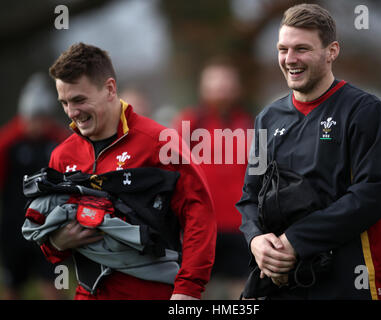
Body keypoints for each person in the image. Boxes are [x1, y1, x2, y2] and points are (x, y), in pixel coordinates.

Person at [236, 3, 381, 300]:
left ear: (332, 51)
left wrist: (296, 241)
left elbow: (370, 196)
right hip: (281, 282)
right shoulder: (267, 118)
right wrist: (256, 240)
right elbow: (250, 196)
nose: (290, 59)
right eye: (282, 49)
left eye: (302, 49)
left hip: (347, 281)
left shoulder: (365, 112)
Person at [39, 42, 216, 300]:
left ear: (110, 89)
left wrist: (189, 288)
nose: (72, 112)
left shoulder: (160, 142)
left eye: (79, 100)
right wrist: (55, 244)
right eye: (64, 102)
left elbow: (199, 214)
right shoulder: (62, 155)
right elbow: (46, 230)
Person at [173, 59, 252, 299]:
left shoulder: (249, 123)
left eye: (227, 82)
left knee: (244, 290)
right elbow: (170, 170)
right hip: (199, 226)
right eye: (215, 82)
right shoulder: (189, 123)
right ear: (203, 87)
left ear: (237, 87)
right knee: (193, 289)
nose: (222, 88)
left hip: (240, 226)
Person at [0, 73, 69, 299]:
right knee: (12, 287)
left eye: (42, 118)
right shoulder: (8, 142)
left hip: (50, 228)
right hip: (14, 228)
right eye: (32, 118)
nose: (37, 125)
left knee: (55, 285)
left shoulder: (59, 141)